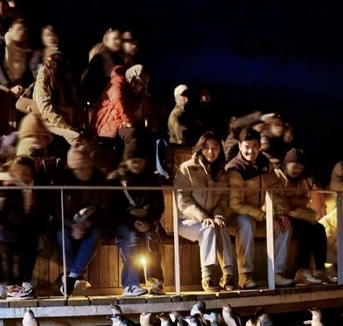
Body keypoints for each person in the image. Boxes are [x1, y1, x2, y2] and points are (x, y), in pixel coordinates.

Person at [225, 127, 294, 289]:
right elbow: (235, 204)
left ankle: (277, 273)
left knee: (284, 225)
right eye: (246, 146)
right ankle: (245, 275)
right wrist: (264, 216)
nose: (251, 151)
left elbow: (275, 190)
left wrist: (280, 213)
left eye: (254, 146)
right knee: (246, 223)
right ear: (240, 145)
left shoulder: (264, 163)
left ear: (259, 146)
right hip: (234, 217)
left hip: (258, 215)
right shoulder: (235, 168)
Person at [45, 137, 111, 296]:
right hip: (68, 224)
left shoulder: (99, 179)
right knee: (62, 234)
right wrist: (72, 225)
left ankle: (71, 277)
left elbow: (105, 208)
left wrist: (88, 223)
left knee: (95, 234)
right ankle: (74, 275)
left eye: (84, 168)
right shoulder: (63, 179)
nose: (81, 172)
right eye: (76, 169)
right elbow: (57, 209)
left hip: (93, 224)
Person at [173, 131, 237, 293]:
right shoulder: (187, 168)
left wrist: (219, 215)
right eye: (206, 147)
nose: (210, 151)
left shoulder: (222, 172)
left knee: (220, 226)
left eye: (215, 148)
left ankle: (228, 275)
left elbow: (224, 199)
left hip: (211, 218)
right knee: (208, 228)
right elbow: (182, 200)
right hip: (186, 220)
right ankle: (207, 276)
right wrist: (202, 216)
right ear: (200, 149)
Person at [107, 131, 166, 296]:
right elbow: (113, 208)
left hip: (147, 221)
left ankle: (156, 280)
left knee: (151, 239)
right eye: (134, 161)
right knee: (132, 240)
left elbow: (158, 206)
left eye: (140, 161)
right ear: (126, 160)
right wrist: (132, 222)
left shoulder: (152, 180)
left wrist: (148, 221)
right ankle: (130, 283)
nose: (137, 164)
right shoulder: (116, 180)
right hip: (123, 223)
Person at [0, 154, 45, 300]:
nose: (26, 176)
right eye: (23, 172)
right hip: (2, 227)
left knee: (17, 257)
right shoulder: (4, 181)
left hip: (16, 227)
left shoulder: (28, 182)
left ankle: (15, 285)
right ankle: (9, 287)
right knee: (6, 259)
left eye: (28, 173)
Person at [277, 147, 330, 285]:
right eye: (294, 166)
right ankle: (302, 270)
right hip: (280, 214)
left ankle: (320, 269)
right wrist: (291, 202)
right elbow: (276, 198)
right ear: (286, 164)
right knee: (304, 229)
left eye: (300, 167)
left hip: (297, 214)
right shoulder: (278, 177)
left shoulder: (302, 181)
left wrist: (295, 200)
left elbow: (306, 199)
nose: (296, 170)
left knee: (319, 228)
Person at [0, 16, 34, 135]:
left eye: (25, 31)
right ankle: (2, 136)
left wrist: (24, 87)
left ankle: (21, 135)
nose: (22, 33)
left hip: (16, 87)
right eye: (19, 29)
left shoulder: (26, 51)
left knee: (28, 95)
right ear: (10, 29)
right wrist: (9, 86)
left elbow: (30, 73)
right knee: (3, 94)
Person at [30, 49, 87, 146]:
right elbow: (46, 109)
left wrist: (78, 122)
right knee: (75, 137)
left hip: (67, 121)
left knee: (87, 139)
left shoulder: (66, 77)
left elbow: (74, 104)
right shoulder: (44, 77)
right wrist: (66, 126)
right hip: (48, 122)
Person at [93, 63, 151, 138]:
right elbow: (119, 103)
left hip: (122, 122)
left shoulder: (137, 95)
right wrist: (128, 121)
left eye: (141, 85)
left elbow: (146, 110)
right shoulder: (117, 83)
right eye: (136, 81)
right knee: (131, 135)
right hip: (108, 122)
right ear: (130, 77)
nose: (137, 86)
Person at [81, 27, 123, 112]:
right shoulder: (100, 58)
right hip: (104, 103)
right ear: (106, 41)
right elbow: (90, 80)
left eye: (119, 39)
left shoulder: (119, 59)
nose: (118, 42)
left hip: (115, 101)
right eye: (115, 39)